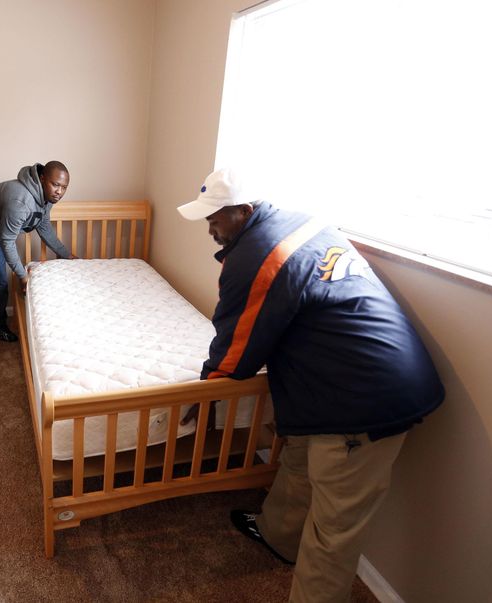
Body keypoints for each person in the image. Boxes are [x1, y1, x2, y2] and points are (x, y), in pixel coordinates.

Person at [177, 168, 444, 603]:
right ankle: (277, 535)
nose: (209, 228)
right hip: (348, 378)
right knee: (298, 458)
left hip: (364, 401)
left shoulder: (257, 256)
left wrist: (203, 390)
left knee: (333, 530)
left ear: (244, 212)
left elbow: (236, 353)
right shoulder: (301, 222)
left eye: (215, 218)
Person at [0, 161, 77, 358]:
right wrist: (22, 275)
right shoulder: (21, 200)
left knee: (0, 283)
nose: (59, 191)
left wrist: (65, 253)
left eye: (64, 187)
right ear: (42, 178)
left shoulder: (46, 199)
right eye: (55, 185)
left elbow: (43, 227)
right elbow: (8, 241)